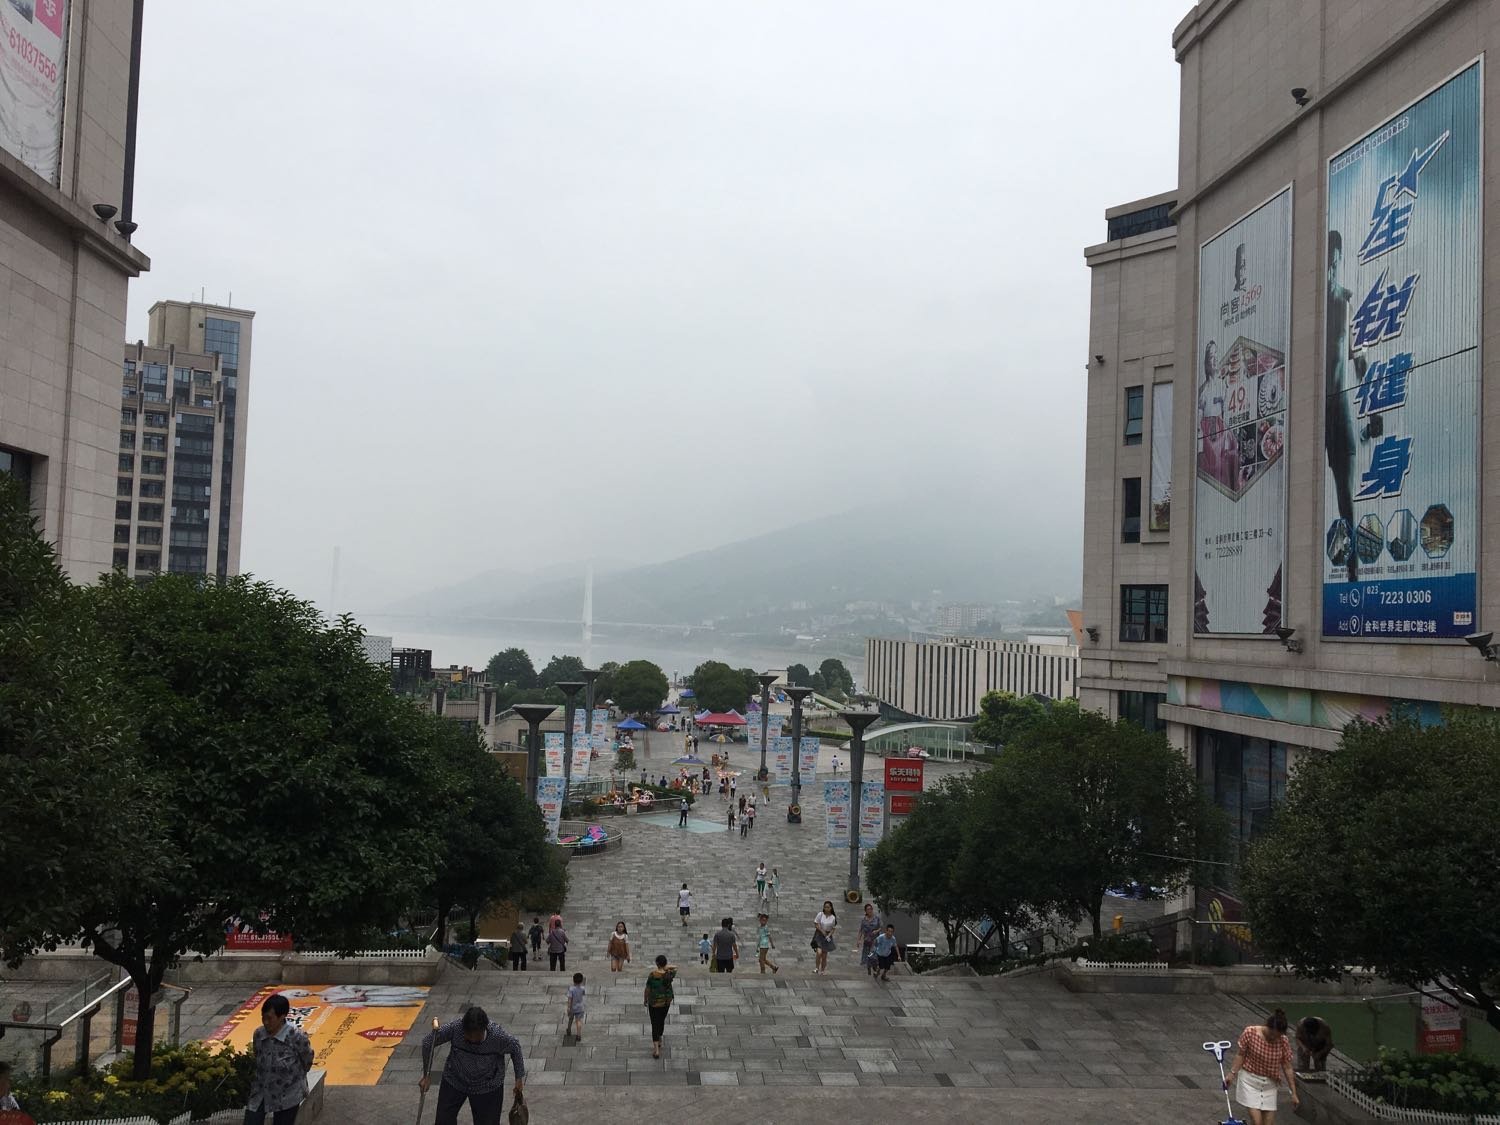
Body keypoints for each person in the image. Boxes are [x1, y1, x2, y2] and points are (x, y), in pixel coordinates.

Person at [421, 1005, 526, 1125]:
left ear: (484, 1029)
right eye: (468, 1035)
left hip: (487, 1085)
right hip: (455, 1079)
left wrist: (519, 1079)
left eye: (475, 1036)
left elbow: (515, 1047)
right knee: (443, 1120)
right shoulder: (456, 1028)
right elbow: (428, 1042)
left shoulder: (497, 1036)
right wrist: (426, 1075)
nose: (472, 1039)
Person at [245, 993, 314, 1125]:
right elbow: (257, 1055)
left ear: (282, 1017)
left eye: (270, 1018)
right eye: (263, 1017)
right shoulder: (259, 1034)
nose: (266, 1022)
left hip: (287, 1095)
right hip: (261, 1091)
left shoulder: (296, 1037)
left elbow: (307, 1060)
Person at [1224, 1009, 1300, 1124]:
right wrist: (1232, 1074)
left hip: (1269, 1084)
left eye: (1277, 1036)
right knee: (1257, 1121)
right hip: (1250, 1080)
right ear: (1267, 1025)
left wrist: (1293, 1093)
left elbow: (1287, 1067)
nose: (1273, 1038)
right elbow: (1240, 1055)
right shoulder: (1250, 1032)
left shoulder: (1283, 1041)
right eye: (1271, 1034)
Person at [644, 955, 678, 1059]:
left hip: (654, 1003)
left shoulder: (653, 975)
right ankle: (659, 1038)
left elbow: (647, 989)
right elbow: (675, 967)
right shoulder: (669, 973)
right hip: (666, 1002)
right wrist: (665, 967)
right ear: (665, 963)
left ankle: (656, 1050)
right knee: (661, 1020)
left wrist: (645, 999)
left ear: (657, 963)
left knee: (654, 1023)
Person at [812, 901, 837, 975]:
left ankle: (822, 970)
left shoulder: (833, 917)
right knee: (819, 952)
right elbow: (816, 924)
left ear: (831, 908)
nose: (826, 908)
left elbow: (833, 928)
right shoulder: (820, 914)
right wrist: (821, 931)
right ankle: (817, 968)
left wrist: (829, 935)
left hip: (827, 936)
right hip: (819, 935)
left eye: (828, 907)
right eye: (825, 907)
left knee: (824, 955)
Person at [857, 902, 882, 976]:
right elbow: (861, 930)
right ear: (865, 911)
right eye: (868, 909)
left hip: (875, 941)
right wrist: (858, 940)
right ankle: (869, 972)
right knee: (867, 957)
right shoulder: (864, 920)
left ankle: (875, 970)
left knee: (873, 956)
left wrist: (876, 931)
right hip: (867, 941)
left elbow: (881, 927)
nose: (870, 910)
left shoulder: (876, 918)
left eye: (871, 909)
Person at [565, 973, 586, 1040]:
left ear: (573, 980)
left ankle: (569, 1030)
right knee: (578, 1021)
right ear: (581, 981)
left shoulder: (571, 989)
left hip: (572, 1008)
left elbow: (570, 999)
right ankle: (578, 1035)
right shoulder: (582, 988)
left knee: (570, 1019)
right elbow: (583, 994)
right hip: (580, 1008)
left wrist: (568, 1008)